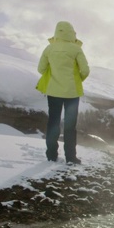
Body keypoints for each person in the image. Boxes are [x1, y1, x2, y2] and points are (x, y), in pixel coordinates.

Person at [37, 21, 90, 164]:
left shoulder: (49, 48)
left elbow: (41, 69)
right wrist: (78, 80)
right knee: (70, 126)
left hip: (53, 92)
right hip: (72, 94)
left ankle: (51, 155)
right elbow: (85, 70)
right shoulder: (76, 49)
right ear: (72, 33)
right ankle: (71, 157)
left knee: (53, 122)